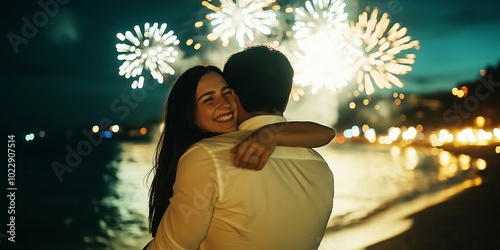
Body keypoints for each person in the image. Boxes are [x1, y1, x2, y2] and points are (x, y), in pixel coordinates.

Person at [146, 46, 334, 250]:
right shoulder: (320, 167)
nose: (224, 104)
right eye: (209, 99)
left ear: (234, 96)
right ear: (287, 97)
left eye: (225, 93)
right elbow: (327, 133)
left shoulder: (206, 156)